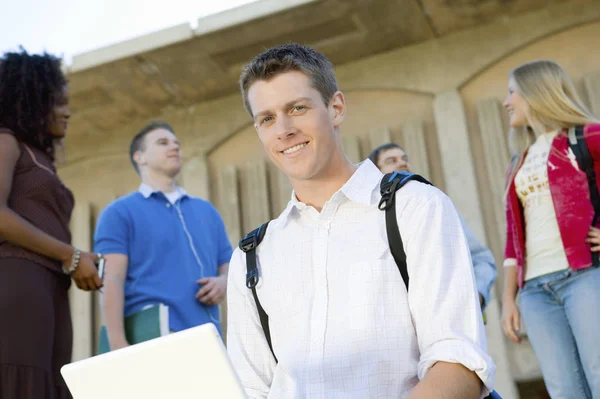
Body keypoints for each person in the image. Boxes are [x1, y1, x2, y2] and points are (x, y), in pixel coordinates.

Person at [226, 43, 495, 398]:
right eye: (267, 119)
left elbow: (459, 363)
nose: (284, 129)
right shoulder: (251, 257)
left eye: (298, 108)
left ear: (335, 108)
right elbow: (250, 389)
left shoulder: (415, 207)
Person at [0, 49, 102, 399]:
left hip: (51, 288)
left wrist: (75, 258)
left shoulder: (39, 156)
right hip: (17, 281)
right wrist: (71, 256)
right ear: (30, 98)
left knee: (51, 385)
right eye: (58, 102)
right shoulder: (6, 140)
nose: (67, 111)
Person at [500, 60, 600, 398]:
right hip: (535, 293)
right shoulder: (518, 162)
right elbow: (513, 240)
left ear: (534, 92)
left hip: (585, 277)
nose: (506, 102)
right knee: (563, 391)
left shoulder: (587, 137)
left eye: (512, 92)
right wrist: (508, 299)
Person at [94, 121, 232, 350]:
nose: (174, 147)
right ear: (140, 157)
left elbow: (229, 265)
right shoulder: (118, 213)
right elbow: (112, 280)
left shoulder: (207, 211)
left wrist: (224, 282)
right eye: (163, 143)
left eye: (176, 143)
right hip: (150, 336)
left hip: (208, 339)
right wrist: (117, 344)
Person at [368, 143, 498, 311]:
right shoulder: (369, 220)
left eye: (405, 159)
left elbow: (481, 259)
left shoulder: (435, 206)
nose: (402, 163)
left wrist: (476, 297)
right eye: (391, 160)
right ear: (375, 173)